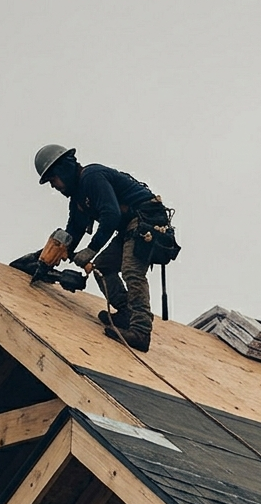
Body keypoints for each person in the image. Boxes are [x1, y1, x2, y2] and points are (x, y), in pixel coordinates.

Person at [34, 144, 176, 353]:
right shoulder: (78, 200)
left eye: (53, 179)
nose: (53, 186)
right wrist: (48, 259)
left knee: (132, 271)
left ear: (63, 169)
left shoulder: (92, 177)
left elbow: (111, 215)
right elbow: (74, 230)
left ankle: (141, 331)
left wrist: (90, 249)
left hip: (146, 222)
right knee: (103, 267)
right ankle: (127, 312)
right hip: (130, 227)